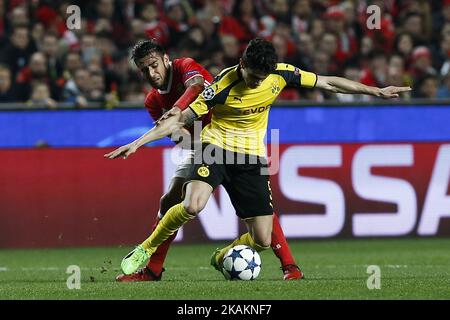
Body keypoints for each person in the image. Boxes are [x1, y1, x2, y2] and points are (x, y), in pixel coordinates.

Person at [106, 38, 411, 279]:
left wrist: (376, 91)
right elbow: (179, 119)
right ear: (242, 65)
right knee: (190, 204)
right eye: (252, 77)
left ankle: (224, 256)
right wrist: (138, 143)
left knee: (262, 240)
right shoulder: (222, 86)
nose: (255, 83)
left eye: (260, 78)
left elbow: (328, 82)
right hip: (213, 146)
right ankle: (147, 250)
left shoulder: (280, 72)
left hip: (251, 157)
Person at [114, 39, 303, 282]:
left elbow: (195, 87)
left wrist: (178, 110)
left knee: (259, 210)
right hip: (206, 146)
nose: (151, 73)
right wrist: (202, 152)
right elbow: (176, 135)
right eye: (144, 69)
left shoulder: (185, 67)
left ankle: (289, 265)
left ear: (165, 59)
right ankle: (153, 269)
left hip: (233, 135)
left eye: (154, 65)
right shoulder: (153, 101)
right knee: (171, 198)